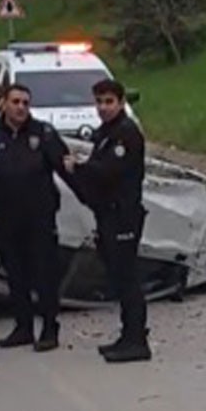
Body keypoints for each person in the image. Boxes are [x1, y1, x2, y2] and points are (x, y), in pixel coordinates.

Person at [0, 83, 73, 351]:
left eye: (25, 103)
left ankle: (49, 329)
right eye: (16, 102)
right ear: (4, 104)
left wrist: (94, 197)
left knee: (44, 274)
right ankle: (23, 328)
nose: (21, 107)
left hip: (40, 217)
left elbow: (67, 169)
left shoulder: (43, 133)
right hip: (7, 217)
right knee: (16, 274)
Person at [64, 78, 151, 363]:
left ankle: (137, 340)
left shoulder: (126, 134)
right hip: (108, 214)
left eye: (109, 102)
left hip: (123, 215)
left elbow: (109, 171)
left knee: (127, 277)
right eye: (99, 102)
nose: (103, 107)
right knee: (118, 276)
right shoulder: (105, 132)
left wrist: (79, 167)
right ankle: (128, 335)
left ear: (121, 102)